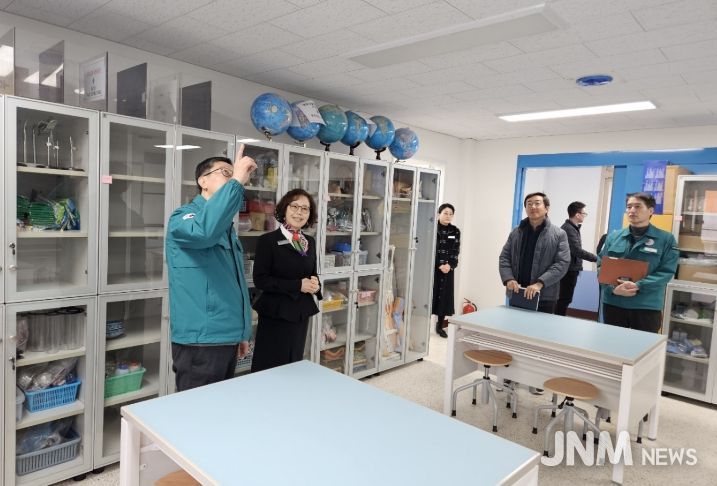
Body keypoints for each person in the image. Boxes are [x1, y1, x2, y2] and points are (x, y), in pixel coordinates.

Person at [166, 145, 257, 392]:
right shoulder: (183, 218)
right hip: (201, 340)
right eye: (225, 172)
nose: (232, 177)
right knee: (196, 411)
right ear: (202, 181)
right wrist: (237, 180)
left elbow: (232, 284)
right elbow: (204, 232)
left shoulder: (226, 228)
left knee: (219, 408)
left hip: (226, 336)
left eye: (233, 173)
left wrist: (241, 333)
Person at [250, 189, 322, 372]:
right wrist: (298, 285)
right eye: (294, 206)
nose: (299, 212)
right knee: (270, 365)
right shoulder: (268, 241)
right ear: (284, 209)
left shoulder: (309, 242)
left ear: (310, 214)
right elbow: (261, 280)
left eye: (305, 208)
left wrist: (316, 286)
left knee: (294, 363)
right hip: (276, 313)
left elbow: (312, 273)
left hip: (300, 313)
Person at [598, 192, 678, 333]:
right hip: (614, 303)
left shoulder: (666, 239)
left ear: (651, 211)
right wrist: (613, 289)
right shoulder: (614, 237)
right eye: (629, 207)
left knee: (644, 345)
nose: (632, 210)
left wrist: (639, 285)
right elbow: (601, 265)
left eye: (637, 206)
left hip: (646, 305)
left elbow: (666, 271)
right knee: (612, 343)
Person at [499, 192, 570, 315]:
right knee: (514, 325)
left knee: (541, 327)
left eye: (537, 203)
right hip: (518, 292)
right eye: (529, 204)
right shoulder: (516, 232)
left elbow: (562, 263)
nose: (533, 207)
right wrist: (509, 279)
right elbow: (504, 258)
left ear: (547, 208)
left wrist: (539, 283)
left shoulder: (559, 234)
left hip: (545, 295)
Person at [555, 201, 598, 316]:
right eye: (584, 213)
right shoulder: (569, 229)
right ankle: (557, 320)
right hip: (568, 270)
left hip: (571, 269)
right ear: (577, 214)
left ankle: (558, 319)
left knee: (565, 299)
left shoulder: (572, 228)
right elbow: (577, 251)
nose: (584, 216)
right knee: (564, 299)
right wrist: (597, 259)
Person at [432, 203, 461, 338]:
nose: (448, 216)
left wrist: (450, 265)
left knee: (444, 297)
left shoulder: (455, 231)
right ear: (439, 214)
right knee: (431, 295)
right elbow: (430, 248)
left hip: (448, 270)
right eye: (445, 213)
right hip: (433, 268)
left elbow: (455, 250)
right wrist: (438, 264)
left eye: (451, 214)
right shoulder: (432, 228)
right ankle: (424, 325)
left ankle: (439, 326)